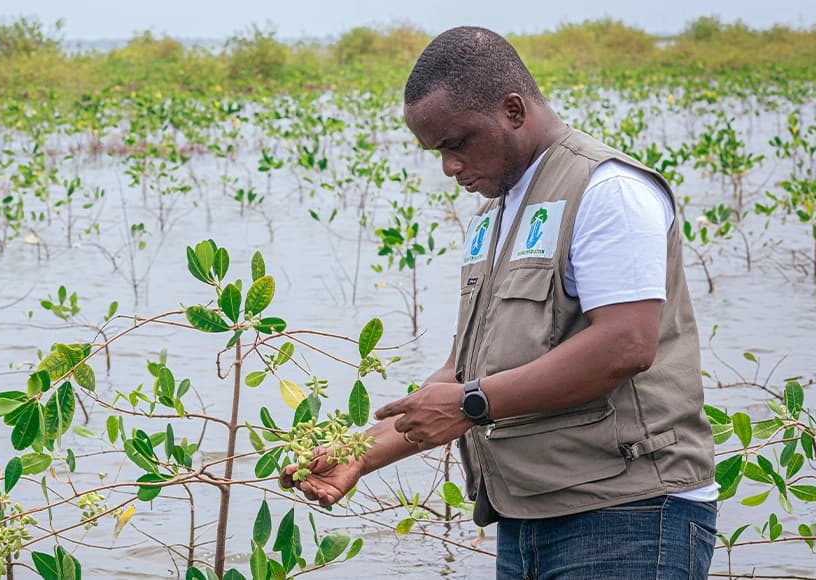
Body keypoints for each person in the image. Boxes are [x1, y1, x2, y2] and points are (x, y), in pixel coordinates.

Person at [280, 26, 719, 579]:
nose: (449, 167)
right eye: (437, 151)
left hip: (627, 514)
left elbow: (625, 345)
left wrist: (470, 404)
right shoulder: (497, 213)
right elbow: (466, 373)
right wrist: (358, 453)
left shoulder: (608, 190)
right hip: (528, 516)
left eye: (457, 143)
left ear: (513, 110)